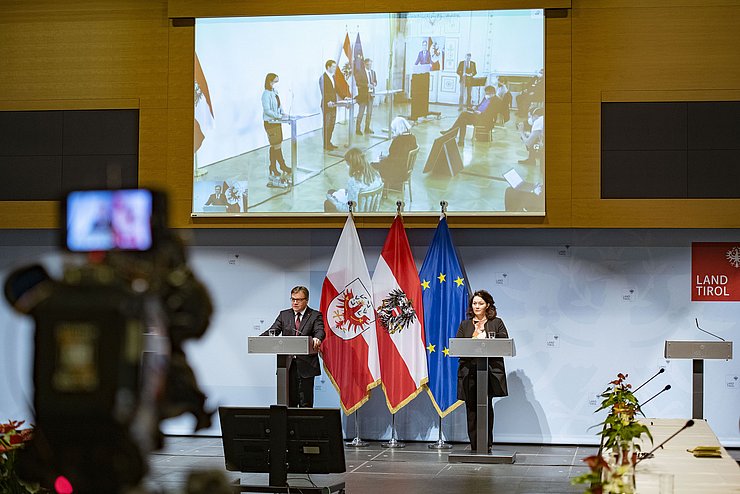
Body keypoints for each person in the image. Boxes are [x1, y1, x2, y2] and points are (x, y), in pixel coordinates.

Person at [456, 290, 509, 452]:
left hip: (488, 372)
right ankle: (474, 445)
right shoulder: (465, 325)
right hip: (469, 372)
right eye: (474, 303)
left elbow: (504, 342)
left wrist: (484, 335)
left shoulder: (496, 322)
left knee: (486, 407)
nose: (477, 306)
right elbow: (458, 345)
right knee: (471, 408)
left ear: (487, 305)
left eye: (480, 303)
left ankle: (486, 443)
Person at [262, 286, 325, 408]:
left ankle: (304, 427)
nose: (295, 302)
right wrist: (260, 339)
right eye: (293, 299)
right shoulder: (284, 315)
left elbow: (320, 331)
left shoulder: (314, 315)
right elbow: (273, 330)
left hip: (306, 366)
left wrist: (317, 338)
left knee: (305, 403)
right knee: (288, 403)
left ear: (306, 300)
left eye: (299, 299)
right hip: (287, 366)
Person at [324, 147, 383, 213]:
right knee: (332, 191)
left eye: (348, 164)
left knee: (328, 202)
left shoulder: (354, 181)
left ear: (352, 164)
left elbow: (350, 209)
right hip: (371, 212)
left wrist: (334, 201)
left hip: (358, 215)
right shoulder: (376, 175)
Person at [261, 73, 291, 188]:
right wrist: (278, 116)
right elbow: (267, 110)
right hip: (270, 122)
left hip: (277, 121)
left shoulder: (274, 92)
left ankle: (273, 166)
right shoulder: (265, 94)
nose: (275, 84)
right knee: (276, 145)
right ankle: (281, 166)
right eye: (274, 81)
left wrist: (283, 113)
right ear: (269, 81)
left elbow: (279, 106)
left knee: (276, 145)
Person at [373, 117, 417, 192]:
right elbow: (397, 156)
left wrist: (383, 160)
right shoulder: (412, 138)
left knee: (372, 165)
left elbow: (393, 159)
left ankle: (378, 189)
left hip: (397, 170)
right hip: (405, 169)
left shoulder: (398, 141)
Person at [319, 60, 339, 151]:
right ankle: (325, 144)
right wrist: (328, 101)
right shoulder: (323, 78)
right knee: (327, 124)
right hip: (327, 104)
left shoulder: (333, 77)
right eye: (333, 66)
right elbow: (324, 92)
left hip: (334, 104)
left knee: (332, 124)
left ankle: (329, 142)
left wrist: (345, 96)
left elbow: (337, 89)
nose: (335, 68)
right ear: (328, 67)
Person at [355, 58, 377, 135]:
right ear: (364, 64)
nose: (369, 66)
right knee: (361, 113)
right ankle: (357, 129)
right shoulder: (360, 72)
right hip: (363, 95)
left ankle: (367, 128)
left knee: (369, 113)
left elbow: (375, 81)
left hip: (371, 95)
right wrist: (367, 85)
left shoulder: (373, 72)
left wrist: (374, 84)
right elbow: (358, 83)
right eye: (368, 65)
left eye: (370, 65)